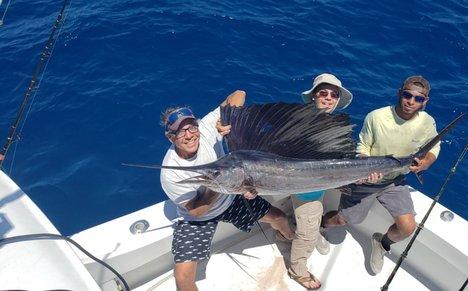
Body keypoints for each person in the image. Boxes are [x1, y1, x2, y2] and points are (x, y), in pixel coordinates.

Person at [159, 90, 294, 291]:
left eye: (191, 127)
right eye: (180, 131)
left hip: (231, 197)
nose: (189, 135)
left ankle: (289, 238)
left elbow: (239, 94)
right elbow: (196, 211)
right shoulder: (170, 173)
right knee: (183, 278)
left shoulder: (205, 129)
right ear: (171, 137)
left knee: (279, 217)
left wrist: (228, 120)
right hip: (199, 217)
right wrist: (222, 184)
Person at [322, 75, 440, 274]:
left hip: (395, 181)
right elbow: (363, 149)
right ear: (399, 93)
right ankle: (322, 226)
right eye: (407, 95)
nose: (411, 101)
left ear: (425, 101)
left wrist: (426, 162)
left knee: (407, 228)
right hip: (367, 179)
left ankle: (382, 243)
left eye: (418, 98)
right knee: (344, 220)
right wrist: (365, 170)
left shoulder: (427, 122)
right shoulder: (376, 117)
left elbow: (434, 145)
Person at [282, 73, 354, 290]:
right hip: (305, 188)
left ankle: (296, 227)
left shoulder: (336, 125)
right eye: (323, 93)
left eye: (334, 95)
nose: (329, 98)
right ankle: (298, 271)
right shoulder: (299, 121)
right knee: (307, 235)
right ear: (314, 96)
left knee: (310, 221)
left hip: (319, 184)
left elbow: (345, 157)